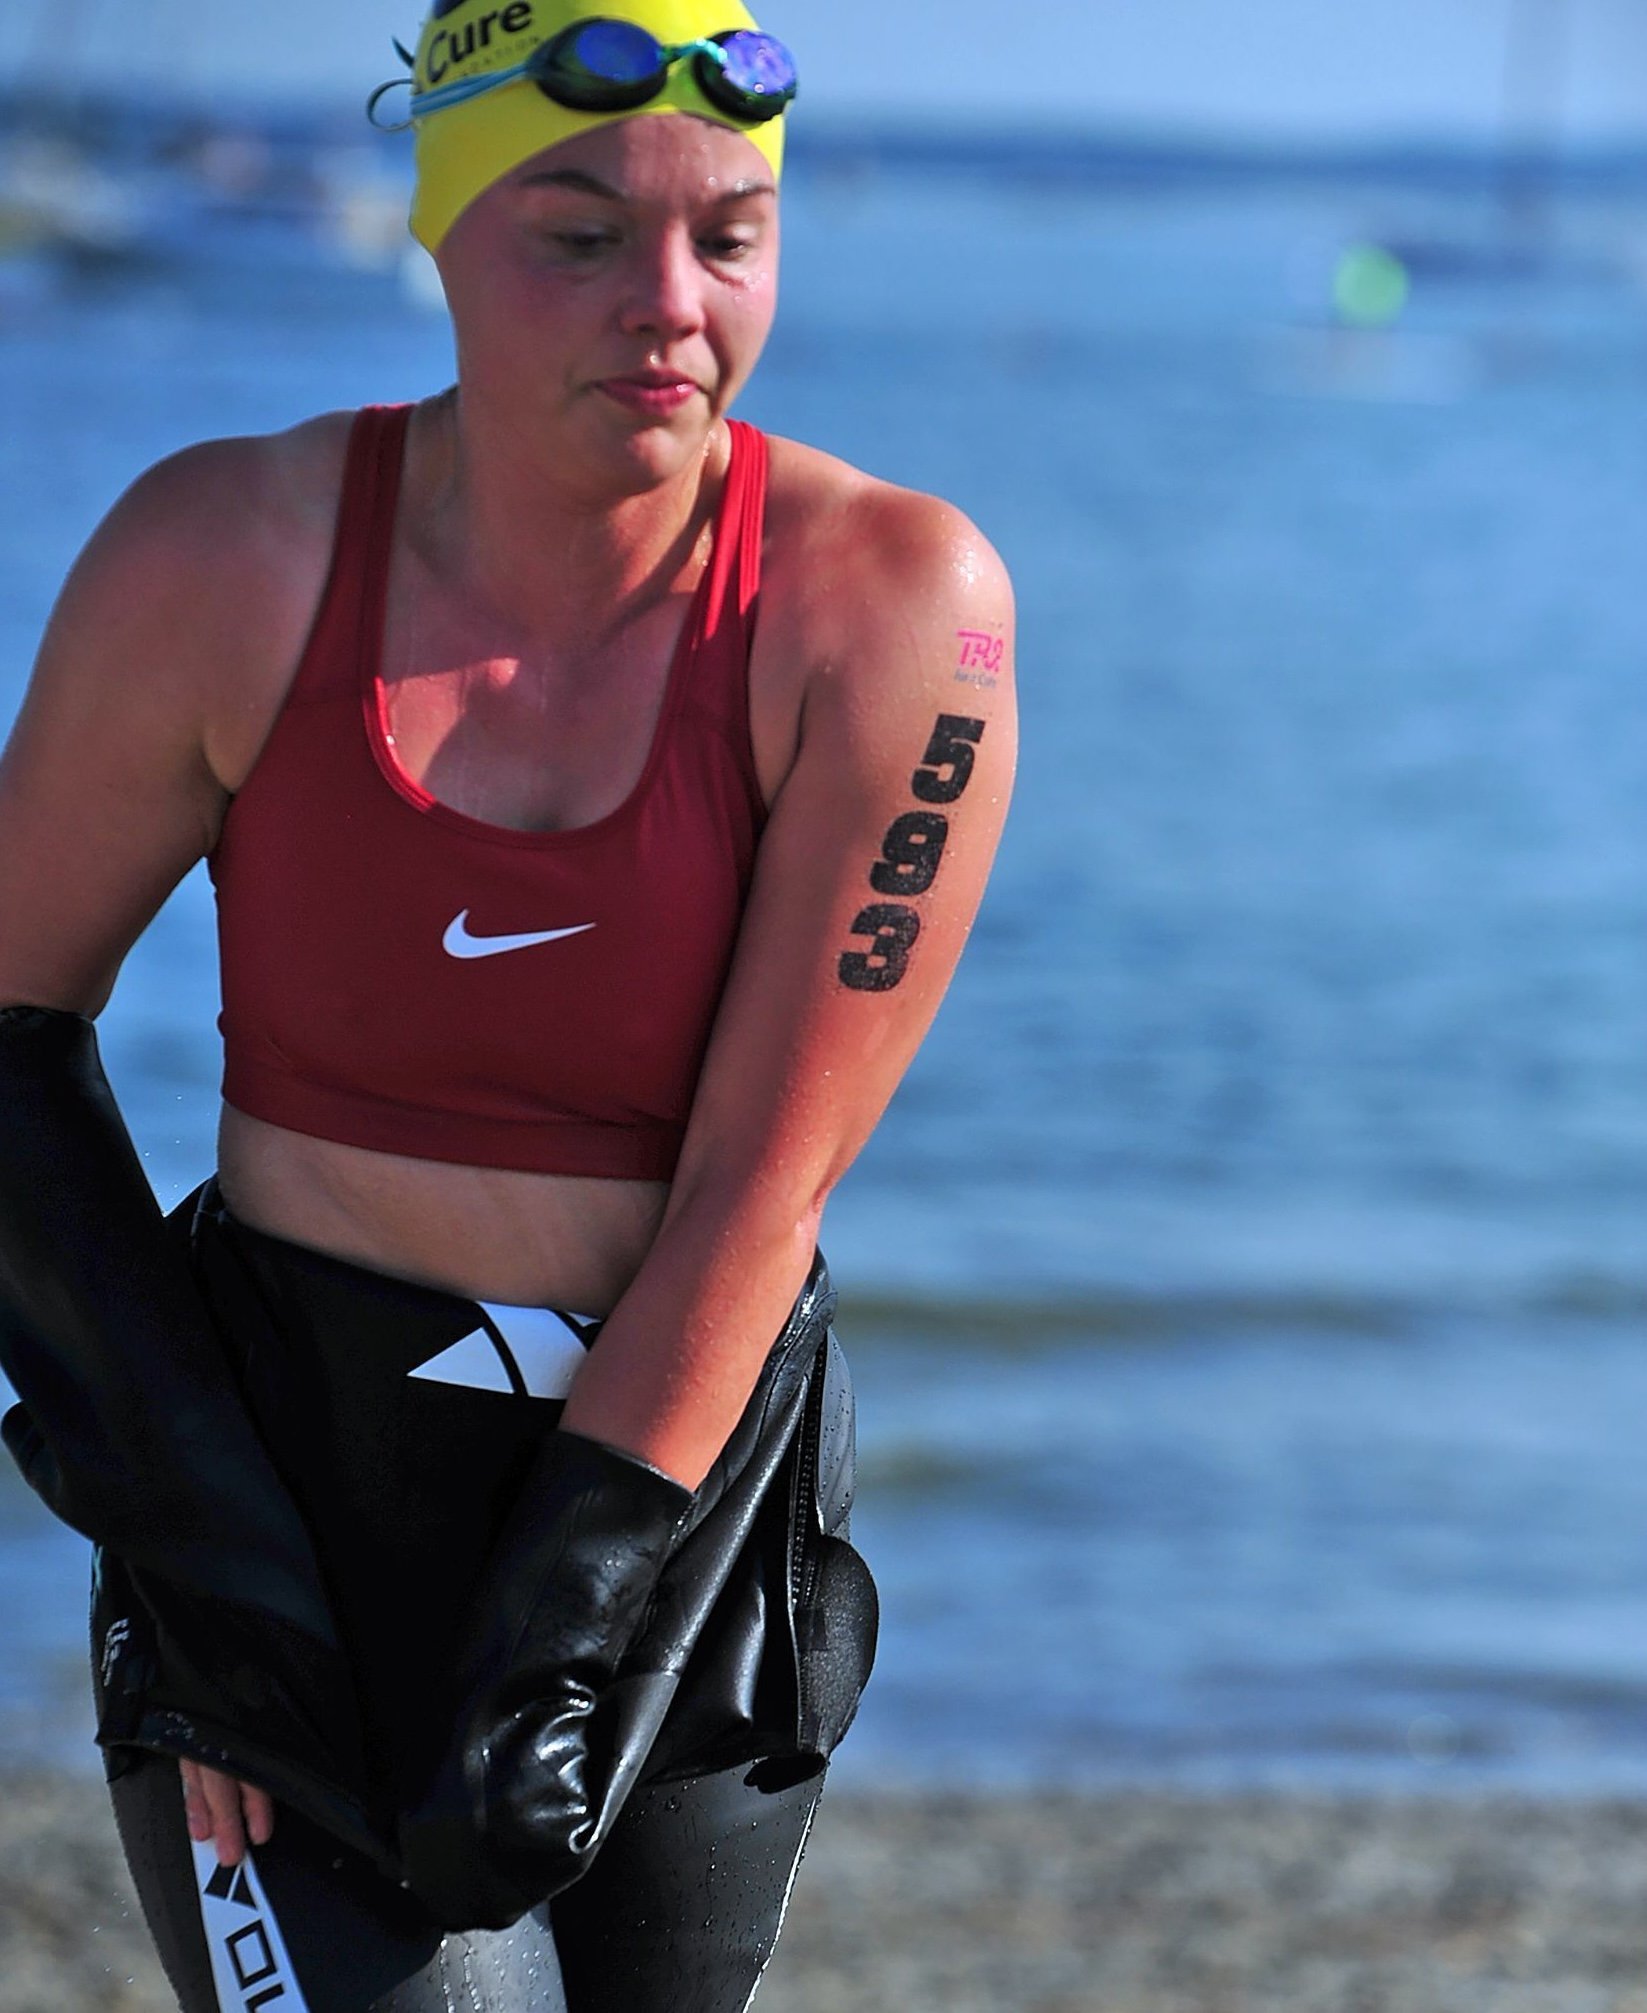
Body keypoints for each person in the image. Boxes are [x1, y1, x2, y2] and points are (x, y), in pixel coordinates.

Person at [0, 0, 1016, 2006]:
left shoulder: (891, 607)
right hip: (288, 1508)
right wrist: (212, 1553)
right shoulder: (231, 554)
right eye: (574, 233)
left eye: (728, 235)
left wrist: (566, 1614)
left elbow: (759, 1176)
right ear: (439, 230)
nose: (667, 303)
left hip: (676, 1525)